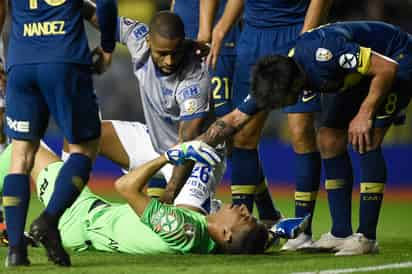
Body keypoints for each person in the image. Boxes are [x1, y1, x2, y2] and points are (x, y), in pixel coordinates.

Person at [192, 21, 412, 256]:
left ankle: (367, 237)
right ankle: (340, 233)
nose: (282, 108)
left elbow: (387, 68)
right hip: (361, 75)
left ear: (295, 89)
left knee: (367, 138)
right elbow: (234, 119)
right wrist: (193, 147)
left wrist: (365, 113)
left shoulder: (325, 55)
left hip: (398, 58)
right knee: (328, 139)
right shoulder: (278, 75)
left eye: (282, 102)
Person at [0, 142, 309, 255]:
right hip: (92, 216)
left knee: (21, 148)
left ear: (226, 233)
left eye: (243, 216)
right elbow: (249, 243)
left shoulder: (182, 230)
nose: (242, 207)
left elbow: (124, 186)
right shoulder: (202, 234)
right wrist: (273, 233)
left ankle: (9, 228)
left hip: (77, 219)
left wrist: (168, 156)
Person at [64, 8, 226, 215]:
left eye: (175, 53)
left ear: (183, 43)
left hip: (195, 158)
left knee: (181, 229)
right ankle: (65, 210)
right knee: (80, 133)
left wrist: (170, 195)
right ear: (148, 41)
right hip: (155, 145)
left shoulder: (195, 79)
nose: (169, 61)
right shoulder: (137, 37)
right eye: (162, 54)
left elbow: (188, 141)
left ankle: (212, 209)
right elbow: (100, 17)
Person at [202, 0, 332, 250]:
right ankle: (243, 230)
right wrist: (220, 29)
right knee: (242, 136)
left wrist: (306, 37)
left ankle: (302, 231)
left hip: (295, 31)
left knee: (301, 132)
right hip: (253, 37)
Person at [0, 0, 117, 267]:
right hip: (65, 60)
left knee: (20, 155)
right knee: (84, 148)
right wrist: (108, 46)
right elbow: (107, 5)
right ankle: (49, 220)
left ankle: (16, 250)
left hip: (21, 62)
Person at [170, 0, 281, 226]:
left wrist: (208, 31)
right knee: (194, 127)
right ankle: (268, 212)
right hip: (187, 38)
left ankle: (254, 215)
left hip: (217, 42)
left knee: (229, 131)